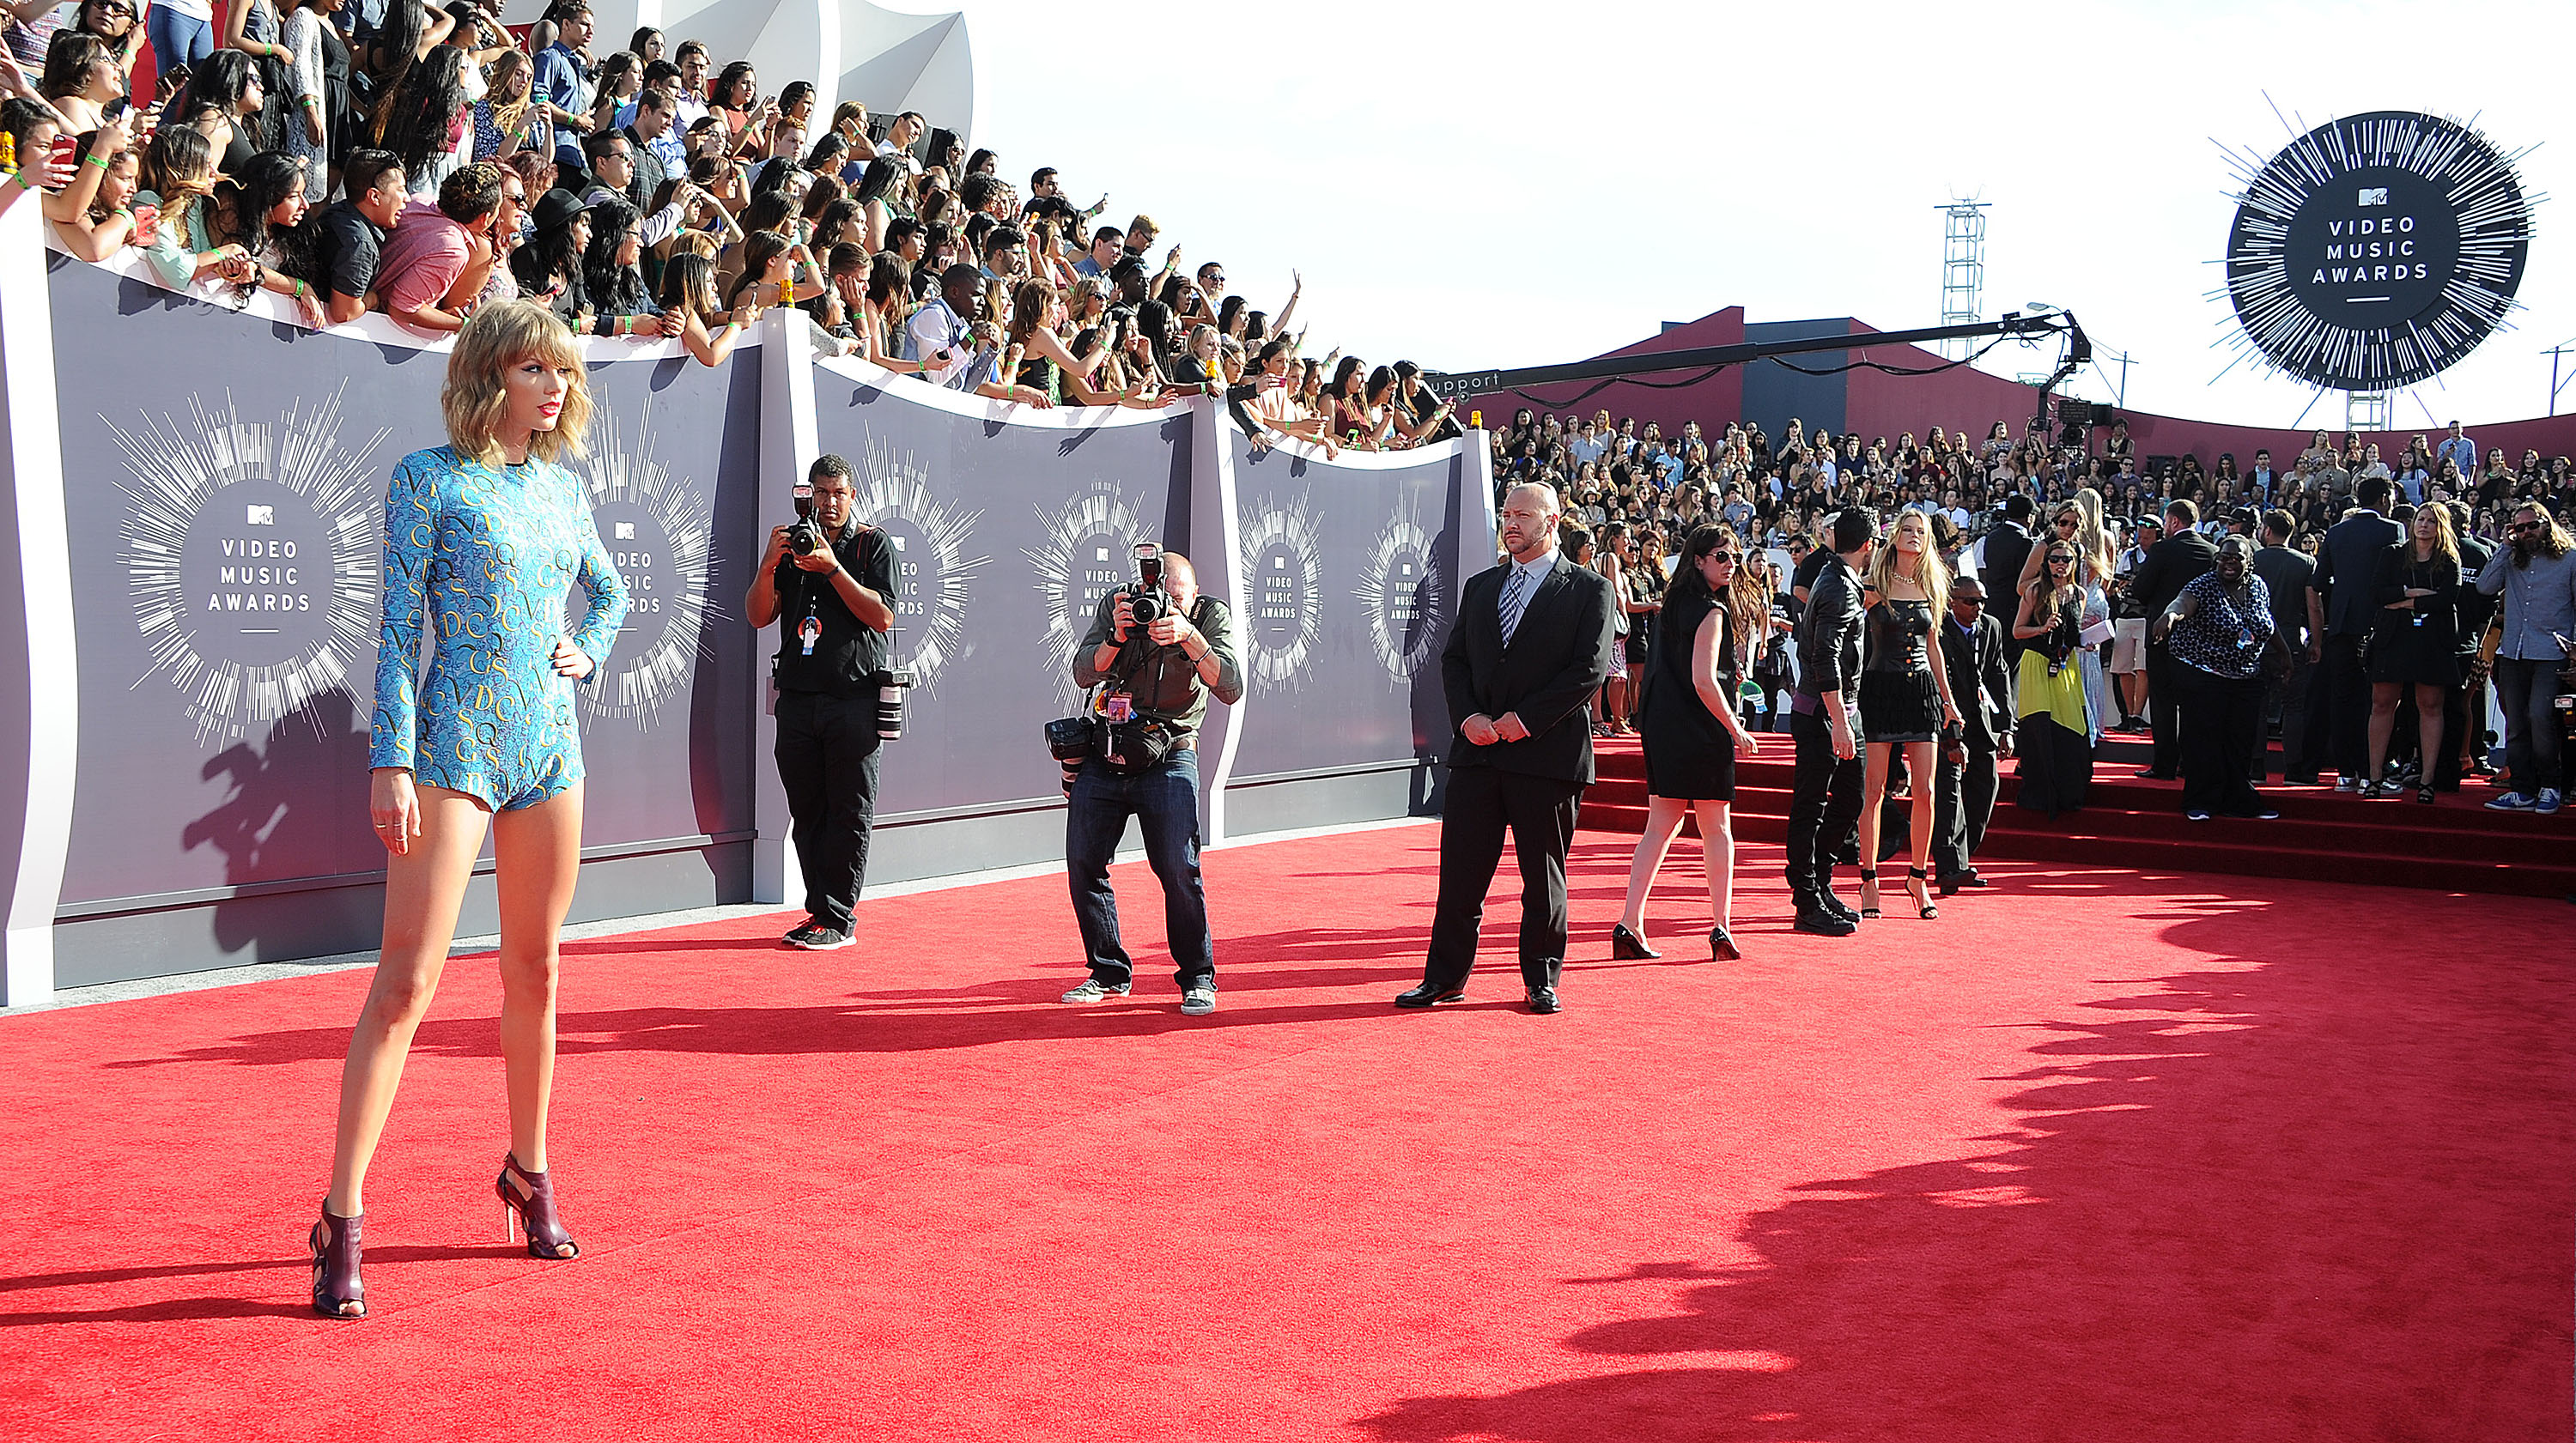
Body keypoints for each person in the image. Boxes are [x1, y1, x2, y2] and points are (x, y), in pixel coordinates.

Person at [314, 301, 630, 1320]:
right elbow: (398, 630)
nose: (554, 387)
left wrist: (597, 647)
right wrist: (389, 762)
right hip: (452, 744)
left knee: (536, 969)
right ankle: (342, 1218)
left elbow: (612, 593)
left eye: (563, 372)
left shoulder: (564, 490)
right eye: (535, 368)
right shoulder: (428, 478)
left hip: (550, 747)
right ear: (489, 373)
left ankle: (529, 1172)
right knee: (407, 980)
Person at [1400, 482, 1615, 1013]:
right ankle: (1444, 978)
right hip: (1479, 754)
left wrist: (1524, 721)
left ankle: (1541, 979)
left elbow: (1587, 672)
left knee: (1542, 878)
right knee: (1460, 878)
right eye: (1505, 514)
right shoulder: (1480, 586)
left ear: (1553, 519)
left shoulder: (1589, 590)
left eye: (1522, 514)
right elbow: (1454, 661)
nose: (1511, 523)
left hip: (1546, 757)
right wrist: (1469, 717)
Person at [1060, 552, 1243, 1015]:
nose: (1161, 608)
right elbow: (1084, 672)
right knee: (1083, 861)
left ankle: (1198, 977)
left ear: (1194, 596)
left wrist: (1190, 638)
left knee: (1178, 867)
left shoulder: (1206, 617)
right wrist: (1117, 637)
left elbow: (1231, 687)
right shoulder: (1119, 605)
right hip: (1108, 748)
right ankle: (1107, 972)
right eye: (1156, 598)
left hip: (1171, 752)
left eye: (1174, 600)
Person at [744, 454, 899, 950]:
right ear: (808, 494)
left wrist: (833, 571)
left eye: (839, 494)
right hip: (796, 698)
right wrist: (769, 565)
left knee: (849, 810)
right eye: (821, 493)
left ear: (852, 496)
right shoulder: (791, 546)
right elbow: (758, 615)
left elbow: (882, 617)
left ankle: (839, 917)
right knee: (807, 810)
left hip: (853, 698)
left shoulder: (872, 544)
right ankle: (819, 912)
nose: (829, 503)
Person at [1613, 524, 1766, 962]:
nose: (1730, 563)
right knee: (1716, 827)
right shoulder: (1712, 611)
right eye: (1721, 556)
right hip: (1698, 726)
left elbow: (1683, 669)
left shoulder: (1671, 604)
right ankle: (1721, 926)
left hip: (1661, 723)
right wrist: (1735, 728)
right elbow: (1702, 678)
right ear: (1698, 560)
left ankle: (1630, 922)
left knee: (1661, 824)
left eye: (1734, 556)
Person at [1855, 509, 1959, 920]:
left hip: (1920, 691)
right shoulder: (1873, 585)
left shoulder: (1932, 584)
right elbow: (1851, 635)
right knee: (1874, 790)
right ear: (1894, 536)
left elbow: (1934, 649)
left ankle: (1918, 878)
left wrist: (1949, 701)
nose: (1914, 536)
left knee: (1926, 791)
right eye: (1908, 530)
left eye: (1921, 531)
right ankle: (1868, 879)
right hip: (1879, 688)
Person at [1784, 506, 1874, 937]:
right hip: (1825, 711)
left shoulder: (1838, 579)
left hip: (1838, 709)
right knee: (1814, 803)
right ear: (1869, 546)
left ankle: (1818, 885)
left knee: (1849, 798)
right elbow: (1825, 656)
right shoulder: (1839, 588)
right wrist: (1839, 720)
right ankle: (1806, 897)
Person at [2155, 535, 2278, 821]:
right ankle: (2201, 801)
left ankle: (2239, 799)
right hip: (2204, 674)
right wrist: (2170, 616)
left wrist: (2283, 656)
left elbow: (2266, 624)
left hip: (2246, 676)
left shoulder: (2258, 586)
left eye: (2236, 557)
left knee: (2240, 741)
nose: (2228, 562)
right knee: (2204, 740)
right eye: (2223, 557)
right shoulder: (2203, 585)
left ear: (2249, 562)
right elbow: (2181, 603)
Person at [2476, 503, 2576, 813]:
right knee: (2516, 723)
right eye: (2519, 528)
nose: (2526, 533)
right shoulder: (2512, 560)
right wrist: (2504, 548)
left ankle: (2550, 784)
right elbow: (2484, 586)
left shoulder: (2570, 559)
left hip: (2551, 652)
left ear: (2546, 524)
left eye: (2531, 526)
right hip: (2513, 651)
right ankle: (2522, 789)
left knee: (2540, 716)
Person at [2310, 477, 2405, 791]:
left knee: (2342, 699)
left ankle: (2346, 773)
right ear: (2382, 499)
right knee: (2375, 701)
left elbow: (2318, 581)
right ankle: (2370, 772)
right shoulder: (2393, 530)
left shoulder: (2336, 532)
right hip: (2381, 627)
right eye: (2390, 497)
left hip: (2340, 626)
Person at [2363, 506, 2463, 803]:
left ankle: (2427, 781)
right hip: (2393, 638)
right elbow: (2378, 594)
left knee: (2431, 705)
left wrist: (2404, 600)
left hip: (2433, 641)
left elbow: (2447, 599)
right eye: (2420, 519)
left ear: (2440, 526)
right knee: (2382, 703)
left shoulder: (2449, 559)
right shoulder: (2393, 553)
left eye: (2431, 521)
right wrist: (2416, 594)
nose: (2424, 525)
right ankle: (2374, 777)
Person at [2124, 499, 2215, 779]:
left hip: (2162, 635)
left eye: (2165, 522)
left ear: (2174, 522)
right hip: (2200, 639)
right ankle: (2190, 763)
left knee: (2163, 701)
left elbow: (2140, 589)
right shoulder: (2211, 552)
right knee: (2195, 703)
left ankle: (2164, 765)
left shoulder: (2163, 550)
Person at [1934, 574, 2013, 894]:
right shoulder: (1938, 629)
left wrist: (2006, 727)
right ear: (1952, 601)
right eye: (1970, 601)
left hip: (1983, 725)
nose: (1978, 607)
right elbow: (1941, 684)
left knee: (1985, 791)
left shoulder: (1992, 627)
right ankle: (1950, 867)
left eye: (1982, 601)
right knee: (1950, 794)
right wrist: (1951, 735)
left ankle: (1960, 860)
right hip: (1948, 724)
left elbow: (1999, 675)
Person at [2013, 538, 2093, 818]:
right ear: (2046, 563)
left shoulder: (2079, 594)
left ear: (2074, 563)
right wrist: (2041, 628)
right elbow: (2017, 631)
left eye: (2066, 559)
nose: (2060, 564)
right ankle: (2039, 794)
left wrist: (2086, 641)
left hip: (2065, 666)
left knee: (2071, 728)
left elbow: (2071, 633)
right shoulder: (2035, 591)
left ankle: (2068, 792)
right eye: (2055, 559)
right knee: (2039, 729)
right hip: (2036, 664)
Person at [2251, 510, 2318, 784]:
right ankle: (2294, 769)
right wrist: (2316, 641)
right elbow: (2314, 606)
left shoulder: (2253, 559)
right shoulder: (2306, 562)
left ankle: (2255, 767)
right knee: (2294, 707)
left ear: (2267, 531)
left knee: (2257, 705)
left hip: (2256, 641)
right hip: (2291, 641)